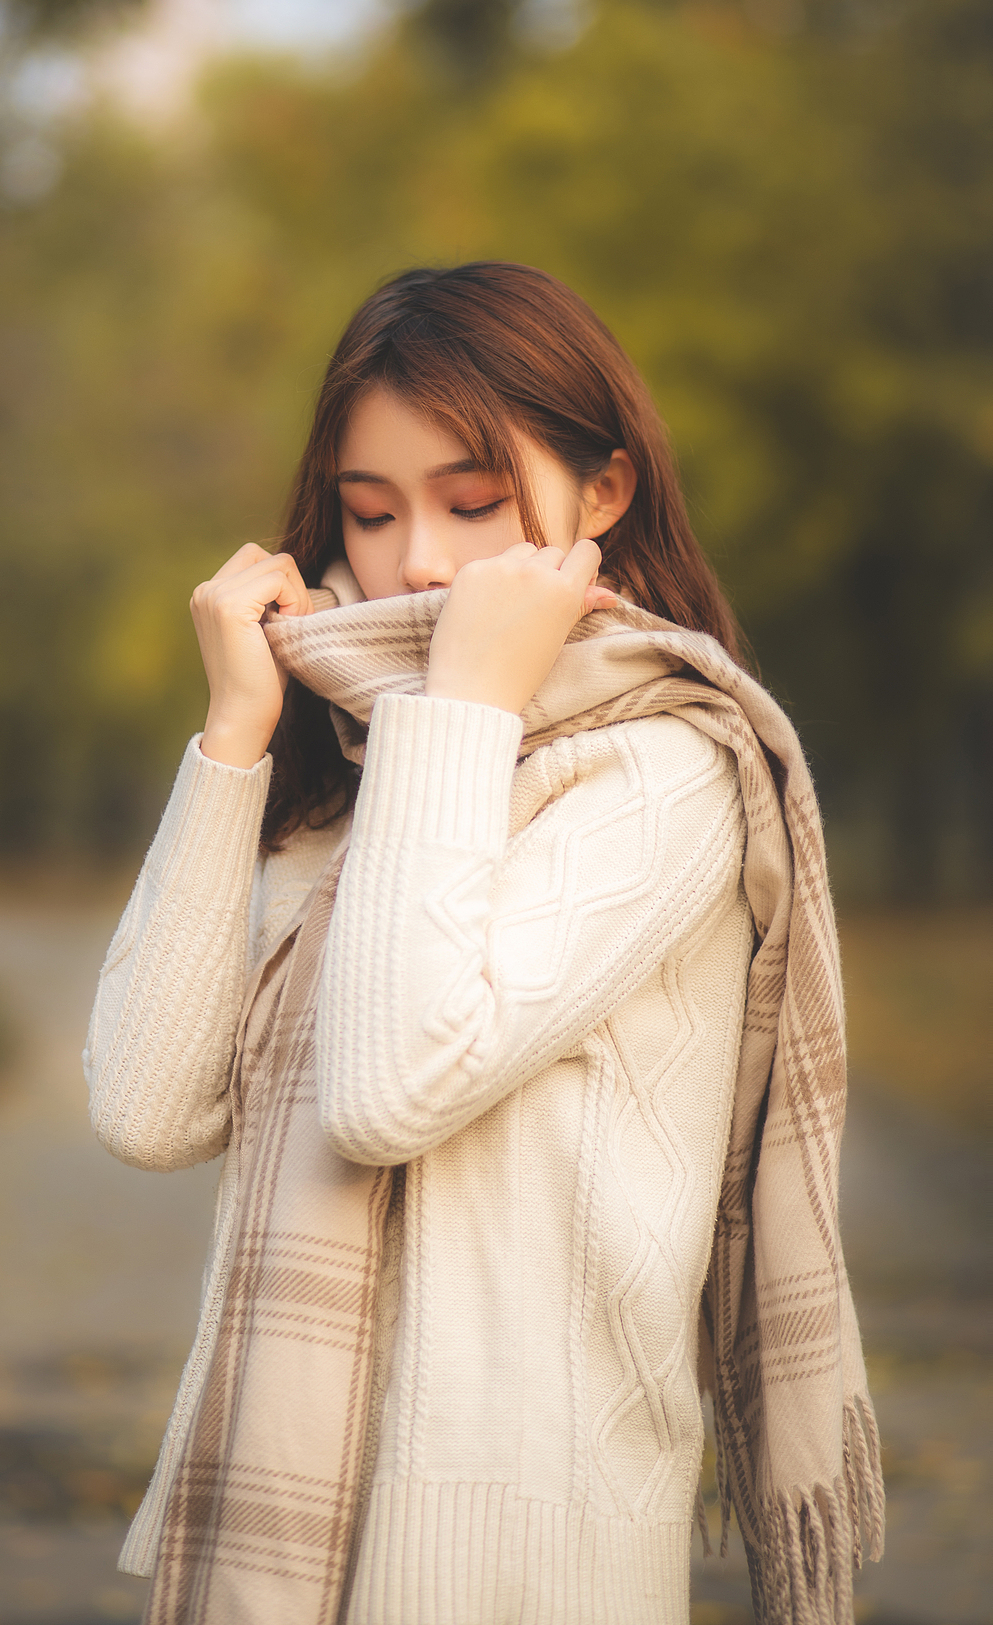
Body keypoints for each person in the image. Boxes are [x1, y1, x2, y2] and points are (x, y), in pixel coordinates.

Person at [83, 262, 884, 1625]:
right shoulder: (357, 772)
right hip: (281, 1546)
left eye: (472, 502)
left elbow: (395, 1087)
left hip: (525, 1560)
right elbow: (148, 1107)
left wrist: (458, 700)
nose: (423, 564)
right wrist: (233, 738)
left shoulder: (664, 772)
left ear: (607, 493)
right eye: (370, 512)